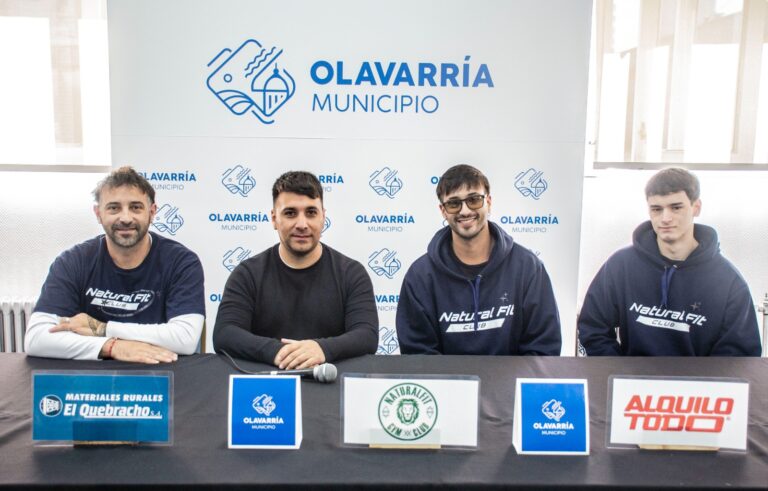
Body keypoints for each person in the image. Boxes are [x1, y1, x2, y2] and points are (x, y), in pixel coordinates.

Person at [25, 166, 206, 363]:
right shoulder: (73, 261)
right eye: (114, 208)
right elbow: (37, 338)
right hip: (92, 381)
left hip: (161, 375)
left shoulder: (181, 262)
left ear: (152, 212)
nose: (126, 218)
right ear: (98, 213)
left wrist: (102, 329)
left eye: (136, 207)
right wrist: (112, 346)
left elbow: (185, 338)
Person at [578, 167, 761, 356]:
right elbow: (593, 327)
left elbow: (740, 353)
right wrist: (617, 373)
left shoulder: (728, 280)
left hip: (699, 385)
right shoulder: (621, 265)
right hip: (631, 383)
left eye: (676, 207)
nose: (665, 218)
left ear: (696, 207)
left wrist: (701, 384)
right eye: (657, 209)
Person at [212, 171, 378, 369]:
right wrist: (280, 352)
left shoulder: (351, 273)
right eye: (290, 213)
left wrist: (322, 349)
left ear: (323, 217)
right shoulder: (248, 274)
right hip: (269, 389)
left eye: (311, 212)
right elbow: (225, 333)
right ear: (274, 219)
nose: (302, 224)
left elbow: (367, 335)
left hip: (331, 388)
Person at [395, 164, 561, 355]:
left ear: (488, 202)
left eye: (474, 200)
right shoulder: (420, 275)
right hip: (449, 384)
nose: (465, 211)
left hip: (509, 384)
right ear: (443, 210)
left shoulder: (528, 267)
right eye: (454, 203)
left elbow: (543, 348)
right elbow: (418, 355)